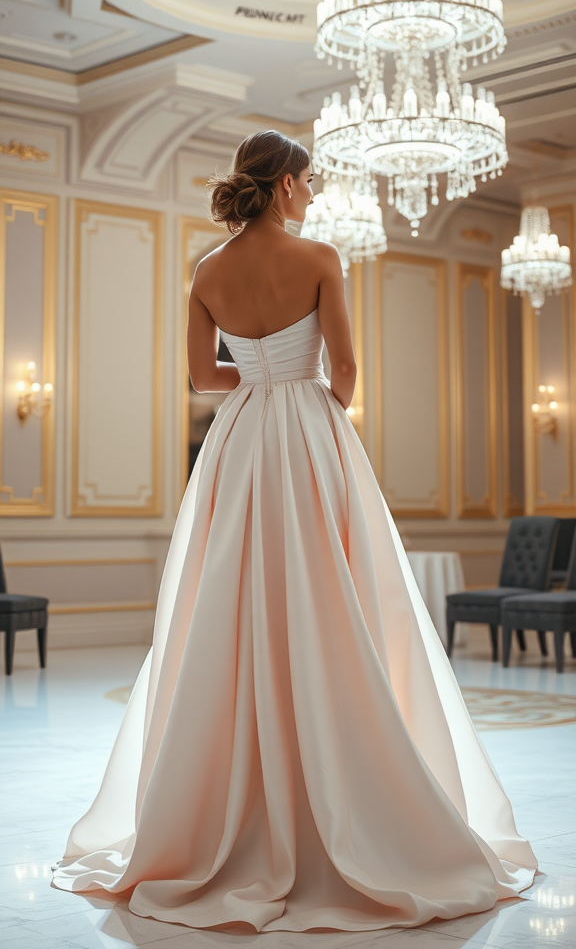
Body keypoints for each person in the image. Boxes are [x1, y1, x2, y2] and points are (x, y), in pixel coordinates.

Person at [52, 130, 536, 932]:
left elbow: (203, 378)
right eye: (308, 181)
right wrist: (302, 395)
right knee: (332, 592)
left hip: (238, 442)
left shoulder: (206, 272)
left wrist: (261, 376)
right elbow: (344, 373)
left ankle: (225, 802)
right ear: (282, 186)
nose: (312, 193)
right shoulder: (319, 258)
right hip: (309, 431)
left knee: (232, 600)